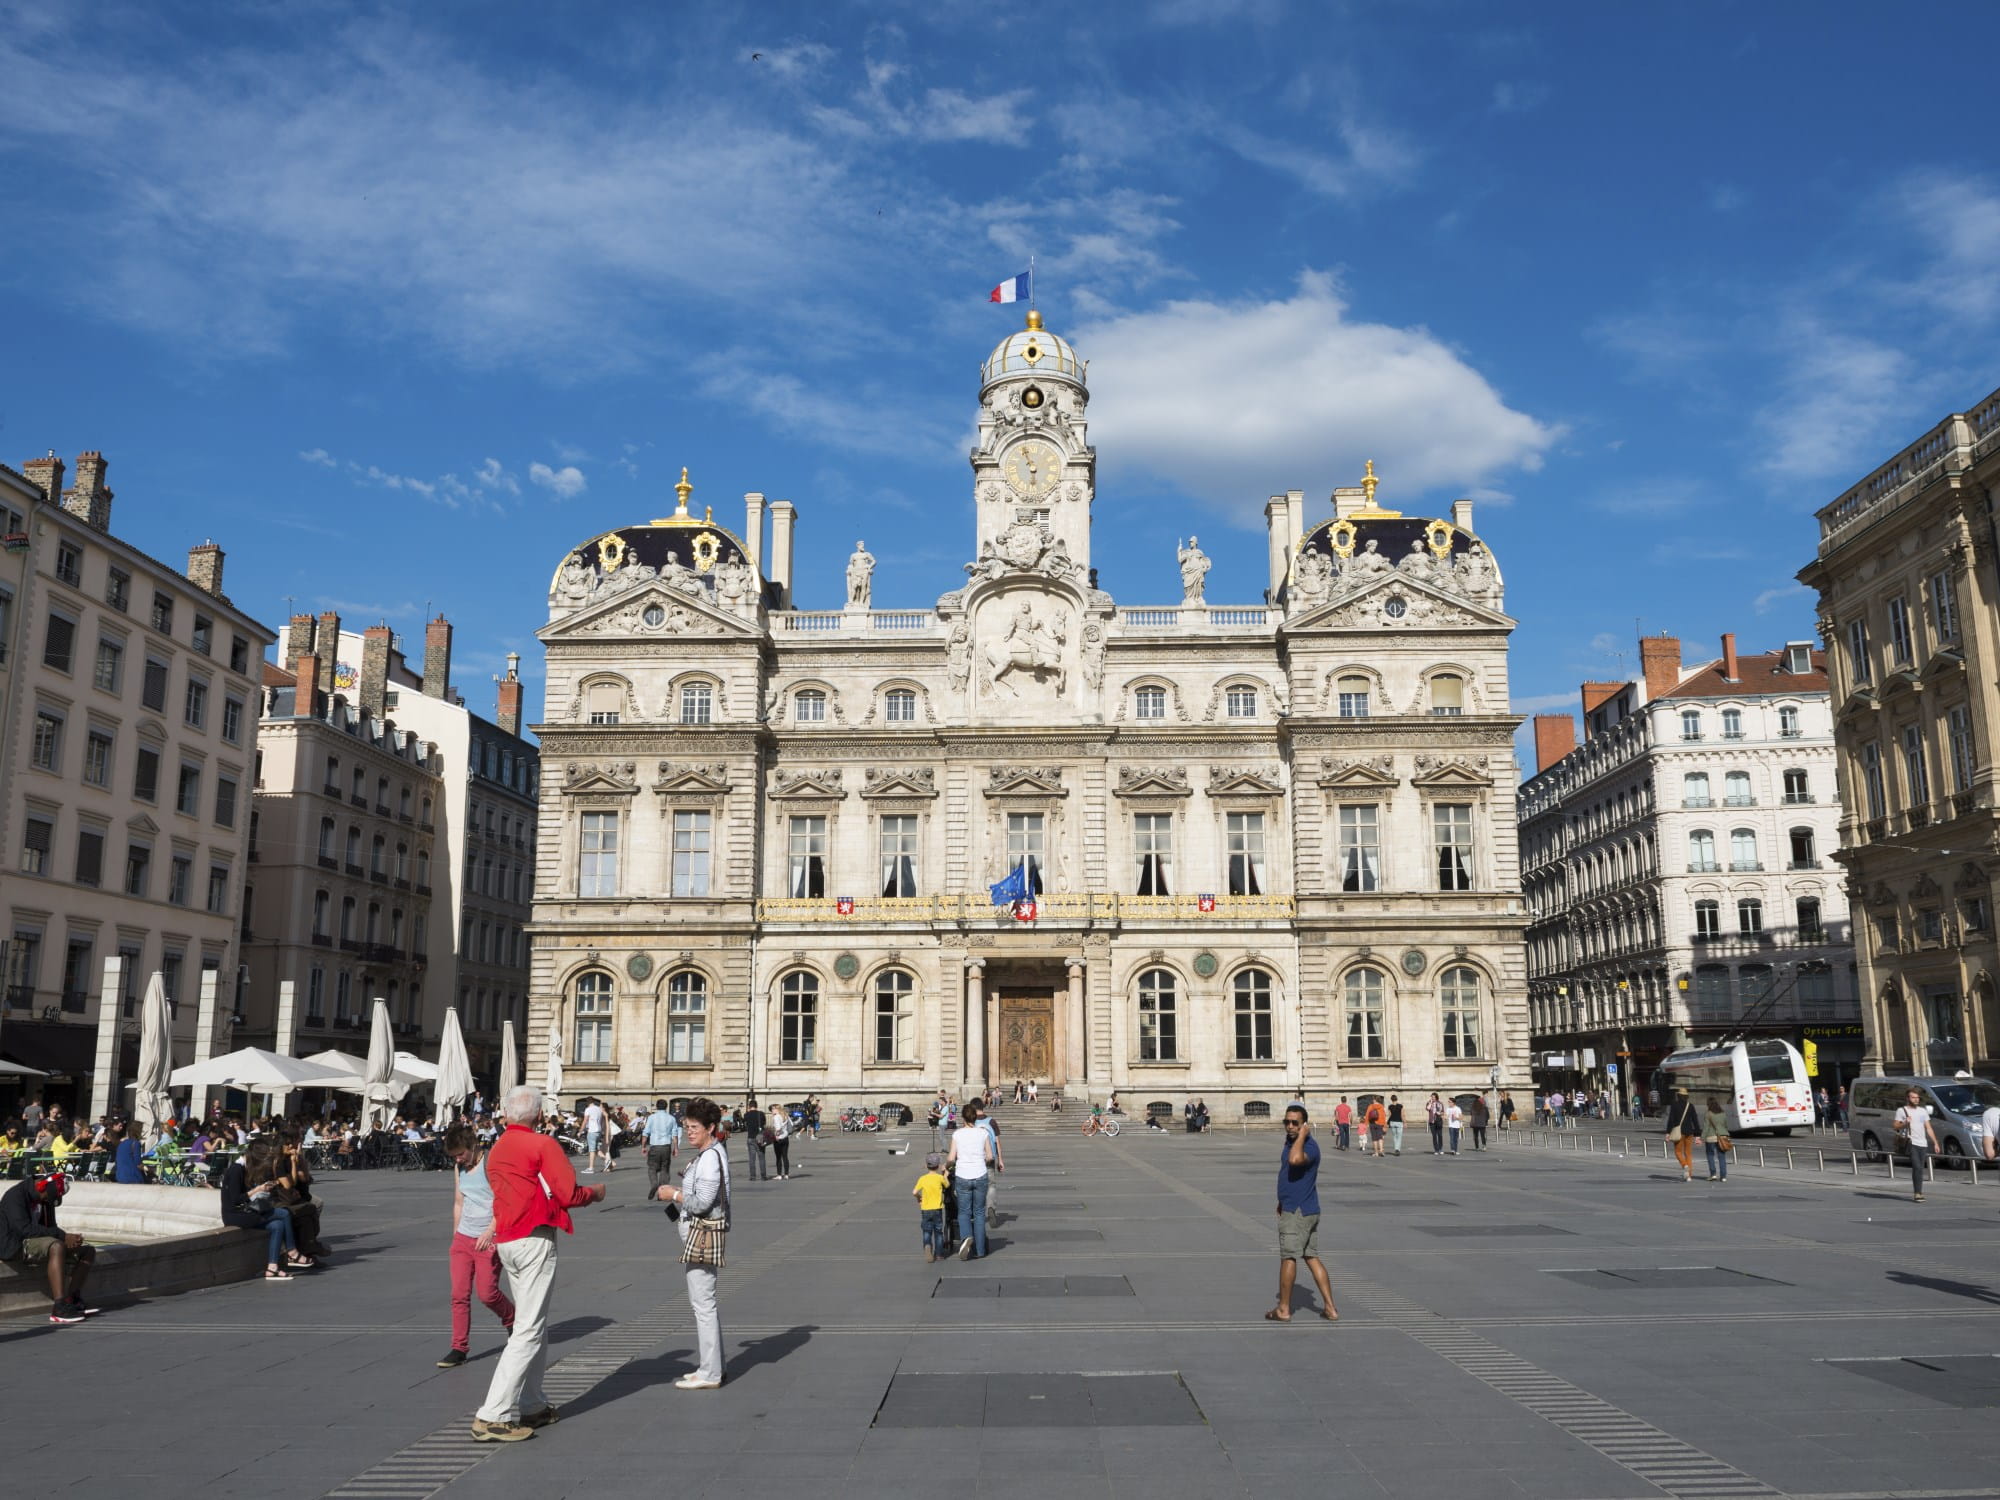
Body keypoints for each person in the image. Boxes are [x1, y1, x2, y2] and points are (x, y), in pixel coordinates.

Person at [472, 1084, 606, 1442]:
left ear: (506, 1113)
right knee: (528, 1329)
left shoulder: (496, 1149)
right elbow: (567, 1193)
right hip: (534, 1239)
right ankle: (493, 1414)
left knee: (535, 1323)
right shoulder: (543, 1144)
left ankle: (532, 1403)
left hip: (507, 1241)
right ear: (537, 1114)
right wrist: (595, 1193)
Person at [654, 1096, 731, 1389]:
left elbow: (702, 1203)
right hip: (699, 1233)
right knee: (705, 1302)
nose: (689, 1131)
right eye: (687, 1126)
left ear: (711, 1127)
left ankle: (709, 1373)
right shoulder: (710, 1152)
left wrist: (673, 1195)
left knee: (703, 1304)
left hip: (702, 1234)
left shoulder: (710, 1157)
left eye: (695, 1127)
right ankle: (714, 1366)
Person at [438, 1123, 516, 1368]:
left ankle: (512, 1319)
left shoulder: (490, 1163)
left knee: (487, 1293)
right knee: (458, 1295)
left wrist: (490, 1231)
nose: (458, 1159)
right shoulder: (459, 1168)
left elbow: (504, 1201)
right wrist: (455, 1236)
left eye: (461, 1153)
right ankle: (459, 1348)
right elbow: (459, 1202)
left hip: (488, 1237)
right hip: (463, 1238)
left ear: (472, 1146)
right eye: (454, 1156)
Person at [1267, 1106, 1337, 1323]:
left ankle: (1284, 1309)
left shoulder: (1309, 1147)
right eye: (1286, 1122)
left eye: (1295, 1123)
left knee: (1288, 1256)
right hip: (1301, 1207)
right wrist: (1282, 1200)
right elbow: (1289, 1174)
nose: (1289, 1126)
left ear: (1304, 1124)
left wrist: (1303, 1135)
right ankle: (1330, 1308)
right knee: (1311, 1256)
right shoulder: (1291, 1142)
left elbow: (1295, 1161)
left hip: (1298, 1212)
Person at [0, 1172, 97, 1323]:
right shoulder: (15, 1196)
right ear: (40, 1187)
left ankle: (72, 1300)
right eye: (47, 1197)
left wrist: (69, 1239)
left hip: (36, 1241)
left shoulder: (46, 1199)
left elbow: (51, 1227)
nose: (47, 1200)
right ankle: (59, 1307)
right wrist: (62, 1237)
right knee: (57, 1246)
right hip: (13, 1244)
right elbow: (24, 1229)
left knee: (87, 1251)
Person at [220, 1142, 310, 1280]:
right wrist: (257, 1190)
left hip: (244, 1212)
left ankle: (272, 1268)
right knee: (284, 1213)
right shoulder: (236, 1170)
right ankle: (292, 1252)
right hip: (236, 1215)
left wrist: (263, 1188)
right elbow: (235, 1199)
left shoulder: (243, 1169)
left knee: (278, 1225)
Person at [947, 1100, 994, 1261]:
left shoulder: (957, 1134)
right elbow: (990, 1156)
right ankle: (980, 1250)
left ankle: (966, 1237)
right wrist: (983, 1161)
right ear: (975, 1118)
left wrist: (947, 1167)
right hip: (980, 1174)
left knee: (964, 1212)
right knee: (979, 1212)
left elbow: (952, 1158)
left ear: (963, 1118)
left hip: (963, 1176)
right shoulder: (983, 1133)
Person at [1895, 1087, 1942, 1203]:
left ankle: (1918, 1191)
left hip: (1923, 1143)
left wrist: (1935, 1143)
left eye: (1917, 1098)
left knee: (1920, 1168)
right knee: (1917, 1166)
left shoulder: (1923, 1111)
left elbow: (1928, 1128)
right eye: (1913, 1097)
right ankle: (1918, 1193)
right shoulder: (1902, 1111)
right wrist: (1905, 1123)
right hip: (1911, 1142)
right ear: (1908, 1098)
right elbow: (1895, 1126)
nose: (1916, 1100)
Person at [913, 1153, 949, 1262]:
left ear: (926, 1165)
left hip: (925, 1209)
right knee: (938, 1232)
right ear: (938, 1166)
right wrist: (945, 1175)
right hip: (937, 1209)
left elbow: (914, 1192)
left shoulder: (922, 1178)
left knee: (926, 1231)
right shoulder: (939, 1178)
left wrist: (919, 1198)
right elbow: (947, 1185)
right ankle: (939, 1254)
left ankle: (927, 1246)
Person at [1663, 1087, 1702, 1184]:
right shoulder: (1691, 1106)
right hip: (1689, 1132)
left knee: (1678, 1152)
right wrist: (1697, 1134)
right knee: (1688, 1153)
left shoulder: (1674, 1105)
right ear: (1686, 1096)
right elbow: (1695, 1120)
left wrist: (1668, 1132)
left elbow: (1671, 1119)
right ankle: (1689, 1176)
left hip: (1678, 1132)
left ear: (1678, 1095)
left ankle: (1684, 1165)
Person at [643, 1100, 681, 1198]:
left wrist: (643, 1146)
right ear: (666, 1106)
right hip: (666, 1146)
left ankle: (654, 1184)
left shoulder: (651, 1117)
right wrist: (676, 1148)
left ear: (656, 1106)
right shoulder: (671, 1118)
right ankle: (662, 1193)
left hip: (654, 1146)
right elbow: (674, 1135)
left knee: (652, 1168)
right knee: (665, 1169)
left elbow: (645, 1133)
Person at [1700, 1096, 1731, 1183]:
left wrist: (1702, 1138)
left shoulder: (1708, 1114)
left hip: (1711, 1137)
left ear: (1708, 1104)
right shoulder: (1723, 1113)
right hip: (1722, 1136)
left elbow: (1706, 1128)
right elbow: (1725, 1125)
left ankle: (1713, 1174)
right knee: (1722, 1157)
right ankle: (1723, 1176)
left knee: (1710, 1155)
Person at [582, 1097, 608, 1175]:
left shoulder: (588, 1109)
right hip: (598, 1131)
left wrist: (580, 1131)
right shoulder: (599, 1109)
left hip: (592, 1131)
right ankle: (607, 1159)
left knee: (592, 1150)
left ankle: (591, 1168)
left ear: (587, 1103)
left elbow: (585, 1120)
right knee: (596, 1149)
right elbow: (603, 1119)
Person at [770, 1100, 792, 1180]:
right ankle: (786, 1174)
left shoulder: (776, 1117)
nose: (772, 1110)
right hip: (785, 1138)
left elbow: (778, 1128)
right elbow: (791, 1125)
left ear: (777, 1109)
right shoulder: (785, 1115)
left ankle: (779, 1174)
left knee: (778, 1157)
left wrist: (776, 1134)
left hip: (778, 1139)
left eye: (773, 1109)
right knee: (785, 1156)